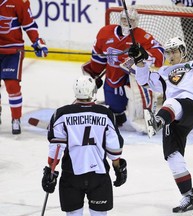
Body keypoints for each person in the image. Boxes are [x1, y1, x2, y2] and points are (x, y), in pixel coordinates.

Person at [128, 37, 193, 213]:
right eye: (168, 52)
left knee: (173, 101)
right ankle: (189, 196)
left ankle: (157, 121)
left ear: (183, 51)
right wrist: (140, 62)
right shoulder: (163, 71)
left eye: (175, 51)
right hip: (172, 116)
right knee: (172, 155)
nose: (171, 55)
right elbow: (145, 82)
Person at [41, 75, 127, 216]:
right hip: (98, 176)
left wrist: (50, 172)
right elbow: (114, 148)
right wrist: (118, 168)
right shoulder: (106, 113)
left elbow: (56, 149)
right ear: (93, 92)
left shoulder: (61, 114)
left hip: (71, 176)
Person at [82, 7, 164, 128]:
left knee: (139, 102)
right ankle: (116, 111)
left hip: (134, 78)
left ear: (136, 21)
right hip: (113, 77)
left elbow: (159, 53)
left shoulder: (141, 35)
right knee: (116, 115)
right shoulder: (105, 32)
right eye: (125, 19)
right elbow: (98, 56)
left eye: (131, 20)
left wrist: (144, 55)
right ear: (120, 20)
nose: (127, 22)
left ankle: (145, 116)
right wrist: (94, 74)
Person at [0, 0, 48, 134]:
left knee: (12, 85)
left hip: (13, 51)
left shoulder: (18, 2)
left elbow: (29, 24)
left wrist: (36, 41)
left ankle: (16, 119)